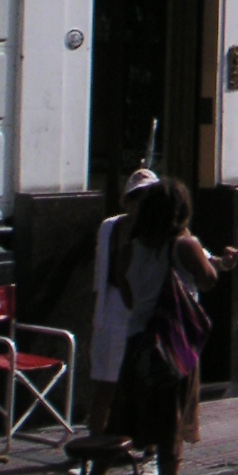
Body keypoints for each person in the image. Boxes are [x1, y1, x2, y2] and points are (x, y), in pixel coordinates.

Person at [84, 178, 238, 475]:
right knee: (172, 423)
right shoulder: (184, 245)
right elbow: (209, 280)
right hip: (173, 345)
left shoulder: (131, 249)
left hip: (137, 342)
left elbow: (127, 295)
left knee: (120, 421)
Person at [86, 168, 157, 436]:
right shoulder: (109, 228)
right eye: (136, 197)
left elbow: (189, 253)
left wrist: (219, 262)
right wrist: (97, 317)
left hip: (146, 311)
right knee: (106, 384)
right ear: (127, 201)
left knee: (145, 383)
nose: (141, 203)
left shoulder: (161, 229)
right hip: (113, 309)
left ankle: (147, 447)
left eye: (148, 197)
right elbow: (100, 274)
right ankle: (96, 444)